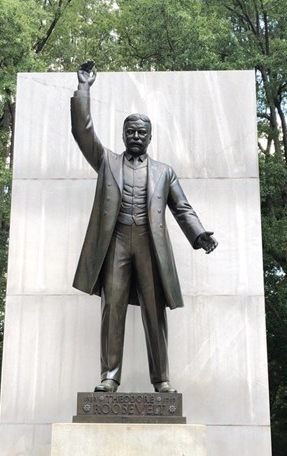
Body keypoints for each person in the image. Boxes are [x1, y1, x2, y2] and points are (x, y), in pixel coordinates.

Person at [71, 61, 217, 394]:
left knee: (154, 312)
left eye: (141, 132)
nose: (136, 136)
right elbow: (83, 133)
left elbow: (181, 206)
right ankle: (110, 376)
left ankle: (161, 379)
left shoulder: (165, 172)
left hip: (151, 247)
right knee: (112, 308)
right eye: (130, 131)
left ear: (149, 137)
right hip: (116, 241)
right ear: (123, 135)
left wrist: (199, 233)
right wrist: (84, 89)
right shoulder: (107, 161)